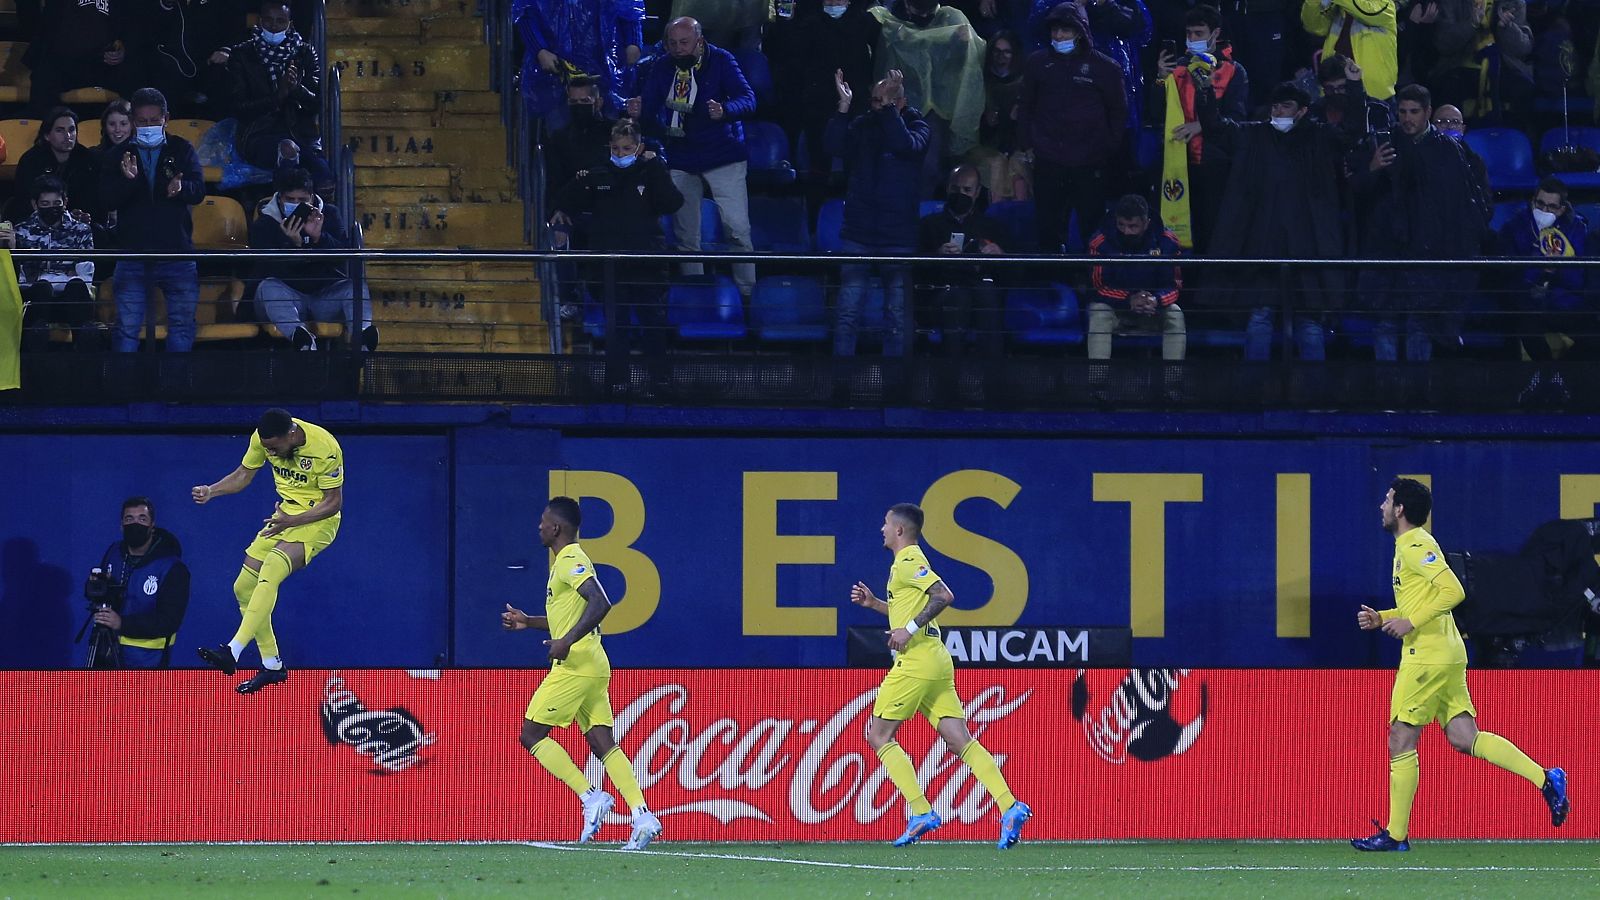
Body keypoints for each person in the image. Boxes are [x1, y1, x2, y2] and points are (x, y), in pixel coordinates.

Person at [1351, 478, 1569, 851]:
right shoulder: (1410, 545)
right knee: (1464, 738)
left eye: (1387, 500)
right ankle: (1546, 779)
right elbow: (1423, 601)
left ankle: (1396, 835)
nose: (1382, 506)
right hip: (1446, 653)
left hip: (1428, 656)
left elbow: (1455, 590)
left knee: (1400, 737)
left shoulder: (1416, 544)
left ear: (1400, 509)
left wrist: (1410, 623)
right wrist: (1386, 615)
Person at [848, 503, 1032, 848]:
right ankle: (1009, 805)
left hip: (916, 662)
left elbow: (944, 595)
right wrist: (875, 605)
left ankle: (920, 811)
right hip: (936, 660)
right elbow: (909, 610)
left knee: (878, 735)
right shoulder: (903, 566)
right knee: (960, 740)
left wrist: (910, 629)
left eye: (886, 524)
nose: (882, 529)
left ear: (900, 530)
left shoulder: (908, 561)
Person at [501, 497, 663, 851]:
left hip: (576, 664)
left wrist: (566, 643)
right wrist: (529, 622)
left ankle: (590, 796)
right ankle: (642, 814)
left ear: (556, 528)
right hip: (593, 662)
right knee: (602, 741)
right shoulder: (566, 562)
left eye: (543, 522)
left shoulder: (570, 559)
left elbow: (601, 602)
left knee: (531, 734)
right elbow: (568, 617)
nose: (539, 527)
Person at [1195, 73, 1367, 361]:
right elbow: (1215, 128)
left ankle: (1313, 397)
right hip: (1263, 247)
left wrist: (1354, 86)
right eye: (1275, 106)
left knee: (1309, 324)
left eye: (1285, 106)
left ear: (1302, 111)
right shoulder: (1254, 135)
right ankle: (1256, 393)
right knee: (1259, 320)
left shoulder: (1320, 137)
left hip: (1308, 250)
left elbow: (1352, 131)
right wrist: (1205, 93)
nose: (1278, 111)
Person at [191, 408, 345, 694]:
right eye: (266, 448)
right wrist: (212, 491)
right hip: (284, 515)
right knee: (244, 587)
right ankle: (272, 664)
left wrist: (293, 521)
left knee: (272, 567)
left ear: (291, 434)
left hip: (318, 521)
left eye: (274, 448)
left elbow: (333, 502)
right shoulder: (262, 440)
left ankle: (233, 651)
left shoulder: (325, 447)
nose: (270, 453)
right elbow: (243, 475)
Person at [1350, 84, 1490, 363]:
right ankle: (1387, 398)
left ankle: (1416, 399)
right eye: (1402, 111)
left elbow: (1466, 204)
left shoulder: (1450, 151)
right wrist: (1372, 169)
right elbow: (1355, 194)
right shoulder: (1381, 143)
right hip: (1387, 252)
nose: (1407, 118)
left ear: (1427, 112)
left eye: (1413, 111)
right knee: (1386, 325)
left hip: (1430, 254)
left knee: (1420, 326)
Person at [629, 17, 757, 296]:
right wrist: (639, 110)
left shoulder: (722, 60)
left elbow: (748, 98)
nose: (678, 48)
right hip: (682, 156)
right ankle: (695, 293)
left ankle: (747, 295)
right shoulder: (662, 66)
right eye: (672, 43)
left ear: (699, 41)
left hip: (724, 155)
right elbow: (648, 108)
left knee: (736, 229)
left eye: (684, 42)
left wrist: (725, 110)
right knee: (686, 233)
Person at [549, 118, 685, 366]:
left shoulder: (652, 172)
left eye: (626, 149)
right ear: (609, 146)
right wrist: (561, 207)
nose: (620, 154)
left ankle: (658, 384)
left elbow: (673, 202)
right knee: (616, 328)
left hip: (647, 265)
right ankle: (617, 384)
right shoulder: (597, 173)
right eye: (616, 149)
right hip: (610, 268)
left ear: (639, 147)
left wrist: (655, 167)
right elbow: (566, 198)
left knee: (653, 326)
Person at [826, 68, 931, 357]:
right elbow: (834, 146)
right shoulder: (863, 124)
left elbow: (903, 145)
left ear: (900, 102)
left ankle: (895, 387)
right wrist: (844, 108)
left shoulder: (918, 126)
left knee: (897, 318)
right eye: (874, 100)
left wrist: (887, 112)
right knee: (847, 314)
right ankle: (841, 385)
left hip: (897, 238)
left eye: (882, 101)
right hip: (859, 234)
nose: (875, 105)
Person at [99, 87, 205, 353]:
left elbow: (198, 191)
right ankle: (124, 390)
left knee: (181, 326)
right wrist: (128, 182)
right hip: (133, 256)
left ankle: (174, 390)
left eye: (154, 121)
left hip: (177, 255)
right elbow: (107, 200)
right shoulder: (117, 156)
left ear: (166, 118)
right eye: (142, 122)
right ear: (133, 121)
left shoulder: (182, 150)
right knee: (126, 327)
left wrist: (183, 189)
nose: (148, 126)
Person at [1018, 3, 1127, 253]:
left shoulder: (1106, 68)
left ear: (1080, 31)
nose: (1058, 36)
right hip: (1048, 161)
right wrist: (1026, 144)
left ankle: (1094, 283)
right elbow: (1025, 106)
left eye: (1065, 31)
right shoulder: (1037, 63)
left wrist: (1107, 146)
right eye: (1055, 30)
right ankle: (1051, 283)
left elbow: (1119, 112)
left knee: (1093, 229)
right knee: (1048, 228)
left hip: (1090, 163)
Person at [766, 0, 881, 215]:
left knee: (857, 166)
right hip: (816, 106)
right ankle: (813, 228)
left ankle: (858, 220)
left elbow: (879, 60)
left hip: (857, 105)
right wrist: (785, 21)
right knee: (818, 165)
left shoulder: (867, 22)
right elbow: (783, 53)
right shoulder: (805, 22)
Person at [1153, 6, 1248, 252]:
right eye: (1189, 33)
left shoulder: (1234, 71)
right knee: (1173, 236)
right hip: (1176, 163)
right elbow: (1156, 113)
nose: (1192, 39)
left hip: (1214, 165)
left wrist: (1200, 125)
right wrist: (1160, 79)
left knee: (1211, 234)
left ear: (1215, 33)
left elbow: (1237, 121)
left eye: (1198, 33)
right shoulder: (1177, 69)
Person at [248, 167, 375, 351]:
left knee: (355, 287)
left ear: (312, 197)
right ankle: (302, 340)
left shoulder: (330, 214)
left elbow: (343, 257)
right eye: (290, 200)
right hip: (286, 297)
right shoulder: (265, 222)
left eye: (302, 200)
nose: (296, 204)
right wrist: (294, 245)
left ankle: (362, 337)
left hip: (322, 297)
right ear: (279, 198)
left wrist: (319, 239)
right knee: (268, 287)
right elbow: (269, 267)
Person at [869, 0, 989, 192]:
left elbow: (968, 62)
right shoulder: (892, 24)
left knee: (935, 165)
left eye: (928, 12)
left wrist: (961, 42)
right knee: (908, 164)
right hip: (903, 106)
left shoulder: (952, 18)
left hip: (942, 108)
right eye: (919, 11)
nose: (924, 17)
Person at [1498, 177, 1589, 404]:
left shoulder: (1576, 227)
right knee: (1524, 322)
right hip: (1527, 301)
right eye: (1540, 204)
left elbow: (1577, 279)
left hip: (1564, 301)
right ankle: (1554, 381)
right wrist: (1539, 267)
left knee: (1593, 334)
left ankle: (1554, 376)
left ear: (1562, 208)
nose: (1544, 210)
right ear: (1532, 201)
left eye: (1551, 206)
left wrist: (1556, 269)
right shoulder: (1515, 227)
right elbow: (1511, 274)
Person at [224, 1, 331, 191]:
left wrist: (296, 89)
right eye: (268, 20)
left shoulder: (305, 53)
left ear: (290, 23)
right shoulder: (242, 54)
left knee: (325, 178)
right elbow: (240, 108)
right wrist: (278, 96)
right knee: (287, 150)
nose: (274, 26)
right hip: (258, 133)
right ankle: (285, 204)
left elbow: (315, 103)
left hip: (299, 132)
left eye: (280, 21)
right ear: (259, 21)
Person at [86, 496, 191, 669]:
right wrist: (95, 586)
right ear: (121, 525)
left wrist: (122, 623)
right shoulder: (114, 553)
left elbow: (169, 621)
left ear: (152, 526)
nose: (135, 524)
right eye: (129, 519)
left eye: (142, 519)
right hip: (106, 651)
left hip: (147, 660)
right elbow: (103, 591)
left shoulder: (172, 567)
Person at [916, 165, 1007, 358]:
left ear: (977, 192)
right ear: (947, 188)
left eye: (967, 190)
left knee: (987, 292)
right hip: (943, 294)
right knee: (958, 296)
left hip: (980, 294)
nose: (961, 194)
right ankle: (951, 377)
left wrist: (1000, 255)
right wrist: (937, 255)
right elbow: (916, 270)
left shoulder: (991, 227)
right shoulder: (929, 225)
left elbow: (1014, 274)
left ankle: (992, 377)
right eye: (955, 189)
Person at [1086, 193, 1185, 361]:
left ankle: (1172, 384)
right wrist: (1129, 300)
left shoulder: (1167, 241)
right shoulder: (1100, 241)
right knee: (1099, 311)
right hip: (1116, 311)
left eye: (1133, 226)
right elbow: (1099, 287)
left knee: (1175, 314)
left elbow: (1173, 286)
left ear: (1146, 223)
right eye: (1121, 225)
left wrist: (1155, 300)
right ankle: (1097, 384)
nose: (1126, 231)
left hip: (1151, 311)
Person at [514, 0, 644, 124]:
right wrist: (540, 50)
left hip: (607, 68)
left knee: (611, 133)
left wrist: (633, 42)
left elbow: (629, 8)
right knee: (561, 133)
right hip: (556, 72)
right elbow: (526, 12)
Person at [11, 175, 98, 352]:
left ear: (65, 202)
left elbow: (84, 270)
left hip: (71, 297)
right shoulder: (21, 231)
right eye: (45, 204)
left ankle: (85, 353)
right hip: (38, 297)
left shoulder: (80, 230)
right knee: (41, 288)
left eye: (57, 203)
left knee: (76, 287)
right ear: (35, 204)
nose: (52, 208)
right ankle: (35, 348)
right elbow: (24, 276)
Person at [25, 0, 141, 118]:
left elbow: (131, 25)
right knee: (43, 77)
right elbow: (46, 27)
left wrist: (124, 51)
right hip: (63, 62)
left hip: (103, 62)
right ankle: (47, 131)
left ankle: (128, 128)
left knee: (138, 74)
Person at [11, 107, 99, 224]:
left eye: (71, 129)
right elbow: (23, 201)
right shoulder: (30, 160)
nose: (68, 135)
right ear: (47, 135)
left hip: (78, 226)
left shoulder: (88, 159)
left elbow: (94, 200)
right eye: (60, 130)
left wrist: (83, 216)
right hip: (38, 225)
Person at [1299, 0, 1397, 101]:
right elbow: (1314, 27)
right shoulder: (1338, 7)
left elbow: (1368, 12)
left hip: (1374, 93)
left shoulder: (1385, 4)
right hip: (1333, 89)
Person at [1307, 53, 1392, 135]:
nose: (1336, 92)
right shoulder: (1314, 111)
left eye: (1341, 87)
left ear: (1351, 85)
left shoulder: (1377, 109)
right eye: (1330, 88)